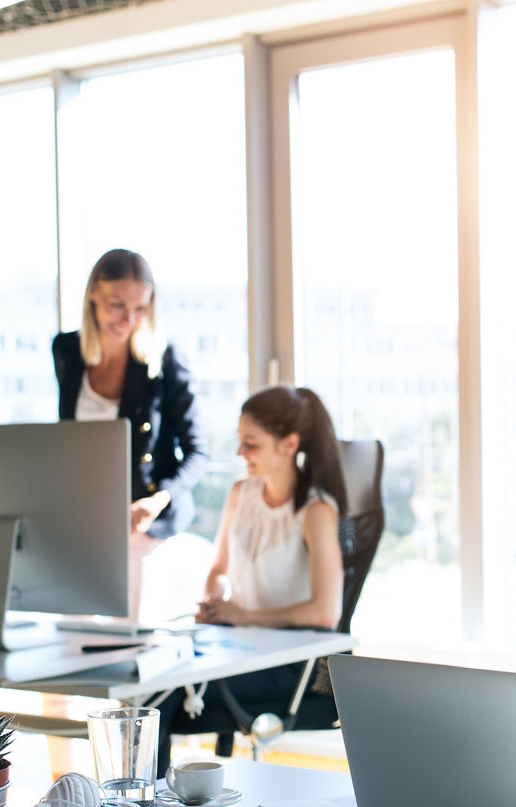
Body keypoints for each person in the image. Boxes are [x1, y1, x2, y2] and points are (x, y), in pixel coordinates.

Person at [157, 385, 348, 773]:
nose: (240, 453)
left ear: (289, 444)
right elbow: (218, 570)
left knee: (161, 698)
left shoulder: (315, 511)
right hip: (238, 648)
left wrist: (242, 616)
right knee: (151, 680)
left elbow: (326, 612)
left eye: (251, 444)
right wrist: (214, 603)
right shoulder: (241, 493)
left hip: (291, 663)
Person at [53, 249, 208, 618]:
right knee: (72, 628)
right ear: (93, 294)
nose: (129, 319)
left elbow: (198, 452)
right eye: (117, 305)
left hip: (145, 516)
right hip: (87, 514)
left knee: (128, 634)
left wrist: (158, 501)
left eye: (140, 308)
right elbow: (67, 441)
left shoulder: (164, 360)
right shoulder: (67, 351)